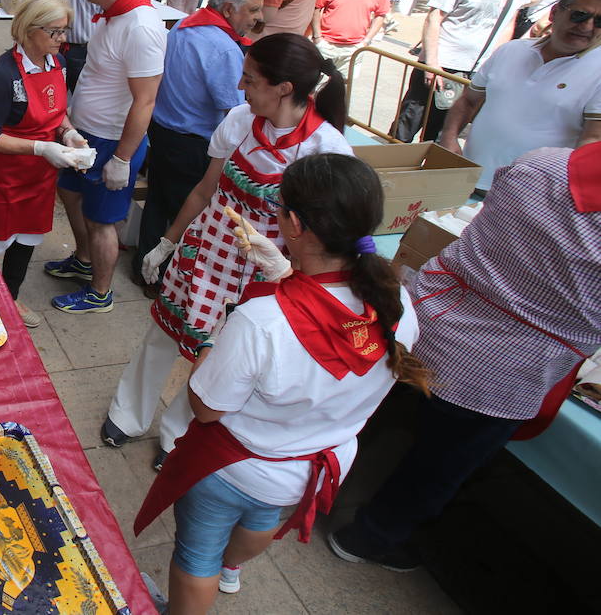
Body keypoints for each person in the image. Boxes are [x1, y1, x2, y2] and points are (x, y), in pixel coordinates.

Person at [134, 154, 427, 613]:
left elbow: (207, 406)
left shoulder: (262, 320)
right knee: (261, 518)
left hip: (237, 465)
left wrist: (210, 344)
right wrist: (287, 276)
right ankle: (232, 569)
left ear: (293, 223)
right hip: (308, 465)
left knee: (195, 556)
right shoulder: (395, 303)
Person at [330, 143, 601, 573]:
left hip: (428, 320)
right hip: (503, 374)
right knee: (437, 467)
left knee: (364, 412)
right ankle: (368, 537)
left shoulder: (539, 165)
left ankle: (309, 488)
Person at [106, 34, 353, 460]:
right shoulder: (240, 121)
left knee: (217, 355)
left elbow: (327, 236)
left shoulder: (325, 149)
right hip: (209, 247)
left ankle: (177, 434)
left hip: (264, 268)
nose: (241, 87)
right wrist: (167, 242)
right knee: (164, 334)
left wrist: (287, 270)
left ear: (284, 88)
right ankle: (128, 412)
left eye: (250, 80)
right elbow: (205, 190)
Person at [46, 0, 166, 314]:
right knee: (70, 196)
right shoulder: (113, 14)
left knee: (102, 221)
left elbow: (145, 100)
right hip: (86, 134)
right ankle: (84, 260)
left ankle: (100, 291)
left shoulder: (141, 27)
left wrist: (122, 159)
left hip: (111, 141)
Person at [0, 0, 93, 329]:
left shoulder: (59, 64)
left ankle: (10, 300)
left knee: (26, 242)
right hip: (3, 181)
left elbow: (58, 113)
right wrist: (40, 148)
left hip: (38, 180)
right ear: (29, 29)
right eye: (55, 31)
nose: (62, 39)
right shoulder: (4, 74)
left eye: (64, 30)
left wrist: (68, 135)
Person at [131, 0, 265, 286]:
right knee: (185, 214)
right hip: (193, 144)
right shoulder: (222, 48)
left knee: (158, 202)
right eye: (254, 10)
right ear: (230, 9)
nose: (258, 18)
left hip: (164, 132)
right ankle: (167, 279)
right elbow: (235, 109)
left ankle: (145, 269)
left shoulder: (184, 26)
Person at [437, 0, 601, 190]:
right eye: (580, 15)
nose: (587, 27)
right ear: (554, 13)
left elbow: (592, 141)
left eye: (599, 22)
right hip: (466, 180)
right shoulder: (511, 50)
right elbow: (468, 100)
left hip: (528, 198)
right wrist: (449, 139)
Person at [392, 0, 539, 143]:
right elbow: (435, 17)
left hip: (474, 72)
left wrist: (492, 65)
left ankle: (422, 174)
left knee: (442, 134)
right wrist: (431, 63)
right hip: (441, 65)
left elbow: (509, 23)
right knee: (407, 124)